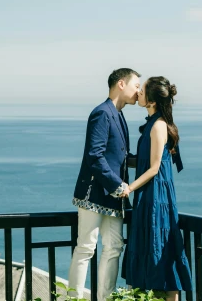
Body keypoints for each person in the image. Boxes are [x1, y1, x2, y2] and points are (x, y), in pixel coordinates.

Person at [68, 68, 141, 300]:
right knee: (86, 248)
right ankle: (74, 299)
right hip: (94, 192)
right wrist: (117, 185)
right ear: (121, 84)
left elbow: (120, 155)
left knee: (114, 247)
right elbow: (95, 155)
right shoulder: (101, 113)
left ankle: (106, 298)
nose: (138, 90)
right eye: (136, 85)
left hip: (113, 194)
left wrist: (154, 161)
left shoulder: (118, 114)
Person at [123, 76, 192, 301]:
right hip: (150, 194)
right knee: (153, 245)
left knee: (163, 247)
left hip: (155, 196)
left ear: (152, 101)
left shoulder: (158, 126)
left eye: (142, 91)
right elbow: (145, 161)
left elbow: (153, 168)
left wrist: (129, 188)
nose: (138, 94)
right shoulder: (154, 124)